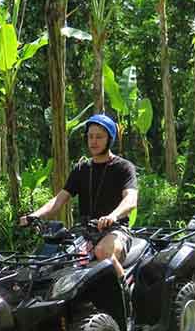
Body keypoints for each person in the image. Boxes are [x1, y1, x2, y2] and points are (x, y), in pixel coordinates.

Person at [20, 114, 138, 278]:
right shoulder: (81, 169)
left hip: (116, 230)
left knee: (103, 252)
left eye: (99, 137)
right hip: (85, 231)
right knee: (50, 259)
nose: (93, 141)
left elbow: (131, 199)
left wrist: (113, 216)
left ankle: (125, 295)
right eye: (90, 136)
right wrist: (35, 215)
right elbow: (59, 199)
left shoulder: (123, 167)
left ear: (109, 139)